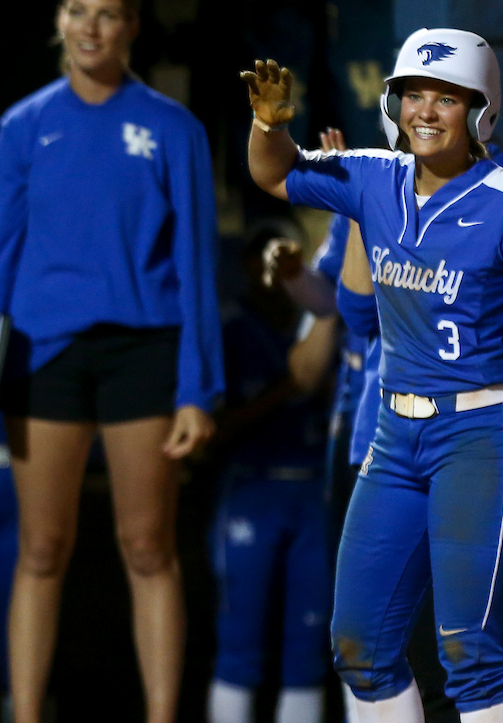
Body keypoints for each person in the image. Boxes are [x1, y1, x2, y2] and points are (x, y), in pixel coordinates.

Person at [243, 28, 503, 722]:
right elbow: (274, 172)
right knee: (360, 646)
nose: (426, 112)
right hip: (394, 433)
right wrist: (266, 124)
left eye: (446, 97)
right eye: (413, 95)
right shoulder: (373, 176)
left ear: (482, 109)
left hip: (485, 433)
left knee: (473, 656)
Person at [0, 0, 223, 723]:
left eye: (107, 13)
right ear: (61, 22)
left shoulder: (174, 128)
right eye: (78, 10)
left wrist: (197, 390)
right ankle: (26, 712)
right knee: (41, 550)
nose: (90, 26)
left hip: (145, 353)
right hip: (45, 358)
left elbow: (199, 266)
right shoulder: (24, 125)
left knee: (148, 547)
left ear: (132, 27)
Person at [208, 224, 333, 723]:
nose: (274, 275)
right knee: (240, 643)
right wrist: (288, 387)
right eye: (265, 262)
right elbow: (212, 427)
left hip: (313, 495)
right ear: (246, 268)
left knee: (308, 650)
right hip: (250, 487)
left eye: (287, 264)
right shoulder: (232, 330)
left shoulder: (320, 319)